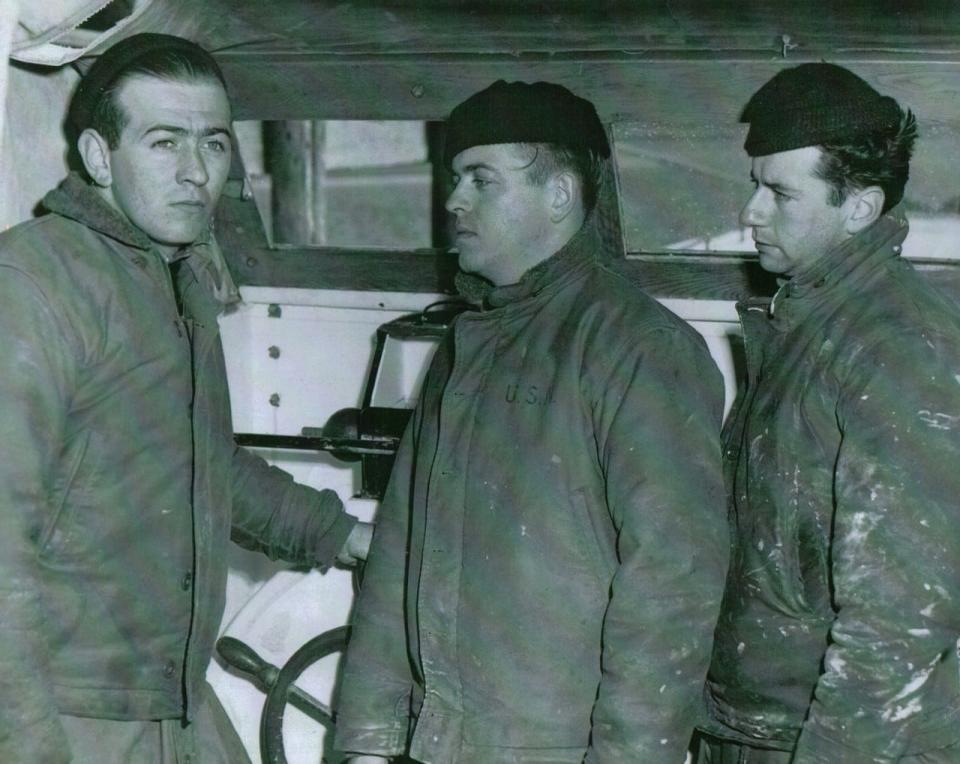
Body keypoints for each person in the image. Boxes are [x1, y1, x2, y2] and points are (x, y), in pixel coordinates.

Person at [0, 33, 372, 763]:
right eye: (164, 143)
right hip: (68, 701)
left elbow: (203, 463)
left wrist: (344, 535)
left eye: (215, 145)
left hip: (168, 691)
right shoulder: (35, 283)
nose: (195, 173)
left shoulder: (177, 279)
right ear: (99, 158)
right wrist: (25, 737)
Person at [334, 80, 729, 763]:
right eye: (455, 178)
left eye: (481, 180)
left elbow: (671, 590)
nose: (453, 200)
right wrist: (368, 741)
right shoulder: (465, 346)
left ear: (559, 195)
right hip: (443, 742)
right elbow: (400, 550)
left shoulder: (639, 348)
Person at [696, 63, 960, 762]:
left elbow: (899, 617)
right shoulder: (805, 326)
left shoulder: (899, 347)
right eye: (754, 185)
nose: (751, 212)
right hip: (752, 727)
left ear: (860, 208)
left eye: (780, 192)